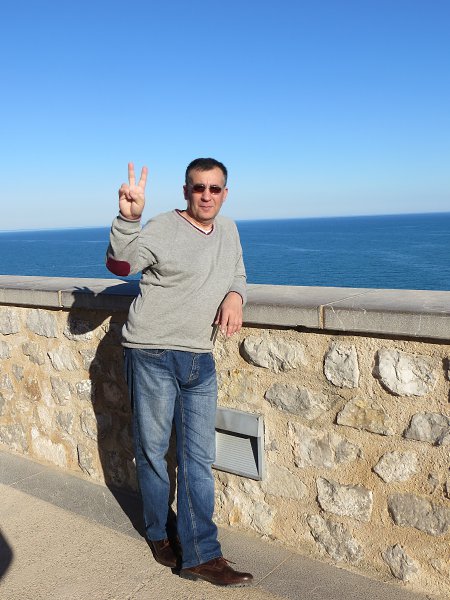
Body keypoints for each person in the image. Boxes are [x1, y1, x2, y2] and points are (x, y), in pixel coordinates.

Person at [106, 158, 253, 587]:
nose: (206, 195)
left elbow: (238, 272)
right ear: (185, 191)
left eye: (214, 188)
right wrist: (128, 219)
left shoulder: (229, 230)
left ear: (225, 193)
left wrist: (235, 296)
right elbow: (121, 266)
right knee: (153, 452)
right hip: (151, 352)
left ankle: (200, 554)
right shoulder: (162, 226)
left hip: (198, 358)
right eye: (198, 187)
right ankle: (158, 533)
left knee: (197, 458)